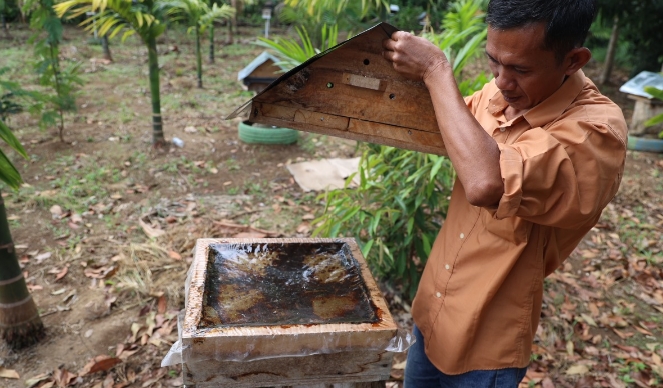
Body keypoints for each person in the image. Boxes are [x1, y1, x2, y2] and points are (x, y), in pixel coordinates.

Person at [382, 0, 627, 386]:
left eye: (520, 69)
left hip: (486, 346)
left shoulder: (594, 132)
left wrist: (435, 69)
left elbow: (485, 183)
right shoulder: (501, 94)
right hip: (433, 311)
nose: (500, 81)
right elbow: (446, 130)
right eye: (494, 61)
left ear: (573, 61)